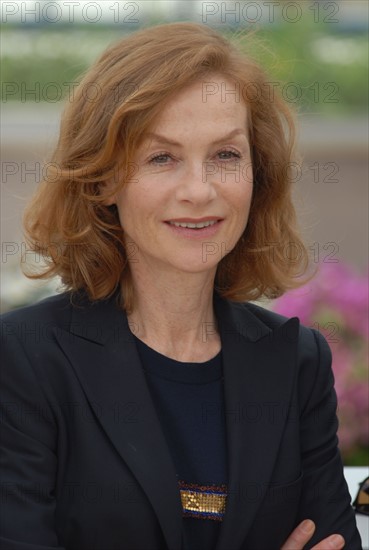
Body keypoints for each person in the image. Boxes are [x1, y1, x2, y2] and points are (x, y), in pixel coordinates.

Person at [0, 22, 362, 550]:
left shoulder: (296, 360)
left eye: (226, 155)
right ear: (102, 178)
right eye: (161, 157)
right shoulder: (24, 359)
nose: (200, 189)